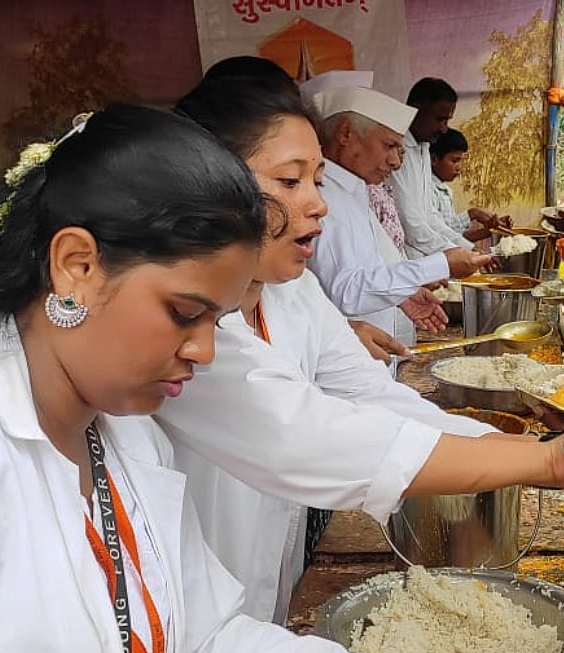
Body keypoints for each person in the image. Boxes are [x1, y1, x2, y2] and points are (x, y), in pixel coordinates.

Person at [0, 102, 457, 653]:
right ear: (77, 266)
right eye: (185, 313)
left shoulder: (126, 436)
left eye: (219, 320)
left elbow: (201, 643)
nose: (205, 351)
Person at [171, 75, 499, 623]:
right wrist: (545, 461)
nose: (317, 205)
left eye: (317, 181)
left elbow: (373, 395)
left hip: (269, 566)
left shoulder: (293, 289)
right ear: (211, 186)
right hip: (194, 589)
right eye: (290, 181)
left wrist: (503, 447)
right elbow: (302, 432)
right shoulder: (189, 324)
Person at [306, 85, 490, 347]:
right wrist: (440, 264)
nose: (396, 161)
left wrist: (404, 293)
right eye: (389, 145)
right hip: (348, 360)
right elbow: (346, 291)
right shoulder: (325, 198)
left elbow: (372, 267)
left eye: (400, 150)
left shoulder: (355, 190)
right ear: (346, 133)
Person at [389, 77, 500, 258]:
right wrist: (458, 252)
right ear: (415, 110)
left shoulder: (423, 147)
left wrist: (467, 249)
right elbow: (412, 226)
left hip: (429, 259)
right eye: (439, 119)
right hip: (410, 260)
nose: (443, 129)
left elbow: (430, 218)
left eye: (447, 120)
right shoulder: (398, 153)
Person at [429, 128, 495, 245]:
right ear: (434, 159)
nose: (459, 167)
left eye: (460, 161)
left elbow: (454, 235)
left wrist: (489, 231)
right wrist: (472, 214)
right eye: (454, 161)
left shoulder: (444, 190)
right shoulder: (428, 190)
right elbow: (438, 234)